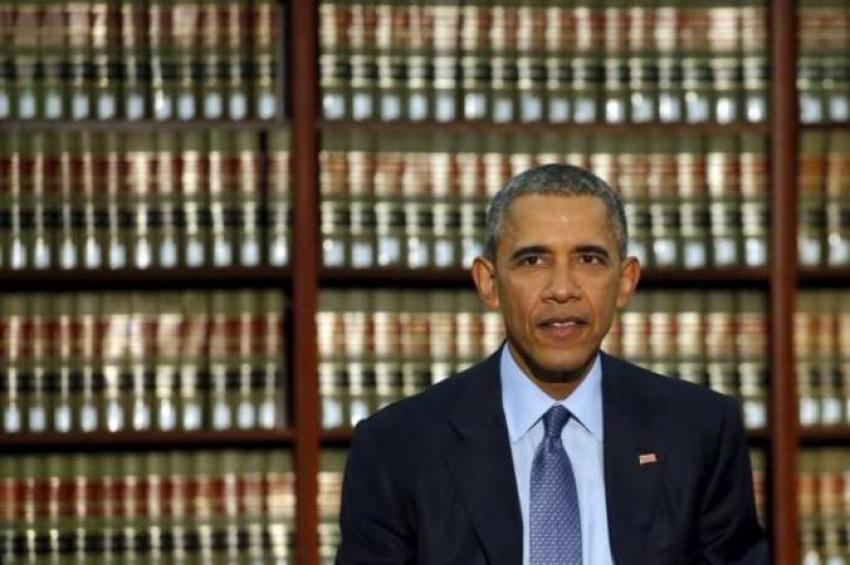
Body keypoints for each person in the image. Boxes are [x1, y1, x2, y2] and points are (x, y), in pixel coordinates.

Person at [336, 163, 769, 564]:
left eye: (589, 259)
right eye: (533, 260)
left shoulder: (700, 431)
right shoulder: (397, 447)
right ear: (489, 283)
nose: (562, 289)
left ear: (625, 281)